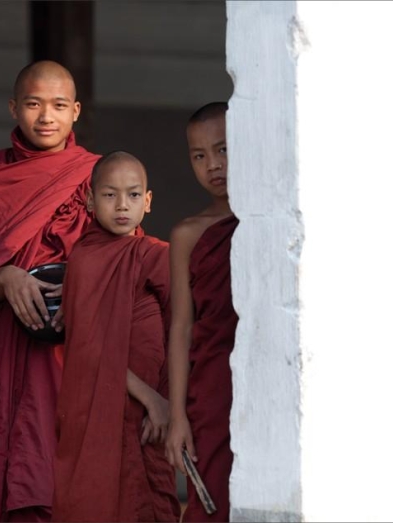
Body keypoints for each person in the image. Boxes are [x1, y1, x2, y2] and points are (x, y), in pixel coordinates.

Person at [0, 60, 100, 522]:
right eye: (33, 104)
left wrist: (82, 285)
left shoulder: (97, 178)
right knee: (10, 470)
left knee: (68, 479)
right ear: (13, 108)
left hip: (74, 356)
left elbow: (127, 261)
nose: (46, 116)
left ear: (76, 111)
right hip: (6, 357)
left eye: (58, 106)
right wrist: (2, 278)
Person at [52, 151, 181, 522]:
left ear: (148, 200)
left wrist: (168, 402)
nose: (122, 205)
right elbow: (88, 348)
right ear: (90, 200)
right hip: (101, 411)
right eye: (110, 195)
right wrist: (151, 398)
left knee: (150, 500)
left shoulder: (155, 255)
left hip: (152, 410)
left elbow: (180, 331)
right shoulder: (85, 258)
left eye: (133, 194)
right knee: (95, 499)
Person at [165, 102, 238, 522]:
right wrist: (177, 416)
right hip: (211, 390)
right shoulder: (188, 234)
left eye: (223, 149)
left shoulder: (275, 220)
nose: (212, 165)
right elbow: (180, 327)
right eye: (199, 155)